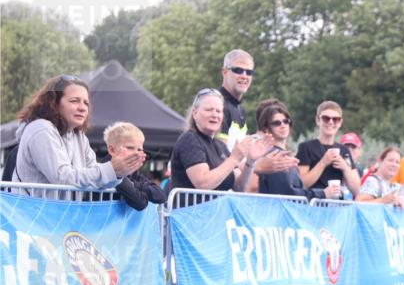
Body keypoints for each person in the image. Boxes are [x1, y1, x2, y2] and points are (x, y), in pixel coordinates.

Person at [12, 75, 143, 198]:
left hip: (59, 217)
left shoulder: (79, 136)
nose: (83, 108)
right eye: (74, 101)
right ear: (54, 103)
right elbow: (62, 178)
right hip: (33, 218)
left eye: (86, 103)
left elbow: (95, 179)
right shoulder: (41, 128)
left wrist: (118, 172)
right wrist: (111, 169)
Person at [170, 88, 271, 193]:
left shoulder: (220, 146)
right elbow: (202, 183)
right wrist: (234, 158)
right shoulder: (190, 139)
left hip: (216, 209)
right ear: (195, 113)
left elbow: (240, 187)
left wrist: (250, 161)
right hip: (191, 209)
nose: (215, 115)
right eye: (209, 110)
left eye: (219, 111)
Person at [255, 103, 338, 200]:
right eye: (276, 123)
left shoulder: (280, 154)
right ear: (266, 128)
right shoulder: (274, 156)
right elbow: (288, 194)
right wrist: (322, 193)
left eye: (286, 121)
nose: (283, 125)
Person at [296, 101, 361, 198]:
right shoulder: (306, 147)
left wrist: (345, 167)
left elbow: (357, 189)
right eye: (326, 118)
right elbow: (302, 183)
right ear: (318, 120)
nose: (331, 122)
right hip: (313, 205)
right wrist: (323, 162)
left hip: (336, 206)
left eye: (335, 119)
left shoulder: (344, 150)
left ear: (340, 123)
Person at [103, 122, 166, 211]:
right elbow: (140, 203)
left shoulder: (133, 171)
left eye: (139, 149)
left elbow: (161, 196)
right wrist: (138, 187)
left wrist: (134, 185)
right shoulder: (108, 168)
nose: (136, 153)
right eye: (130, 148)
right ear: (112, 150)